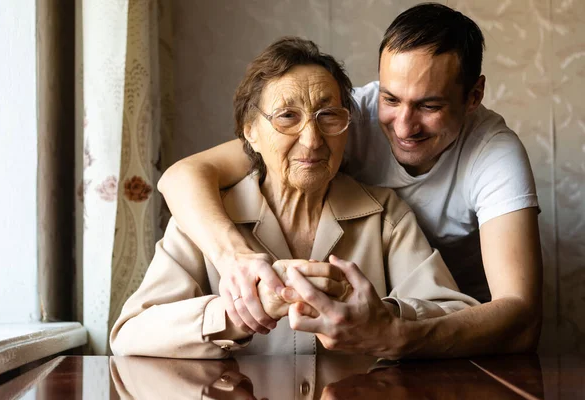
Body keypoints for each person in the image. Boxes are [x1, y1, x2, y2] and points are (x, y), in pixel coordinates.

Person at [157, 3, 543, 357]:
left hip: (463, 331)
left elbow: (520, 317)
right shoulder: (343, 115)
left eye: (430, 105)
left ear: (473, 96)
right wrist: (235, 266)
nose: (404, 126)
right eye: (390, 99)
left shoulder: (491, 157)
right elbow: (183, 175)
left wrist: (392, 330)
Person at [110, 37, 477, 359]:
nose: (313, 139)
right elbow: (130, 334)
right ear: (249, 132)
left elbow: (452, 314)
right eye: (288, 116)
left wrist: (385, 316)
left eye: (328, 116)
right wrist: (236, 312)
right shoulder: (206, 217)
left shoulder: (385, 215)